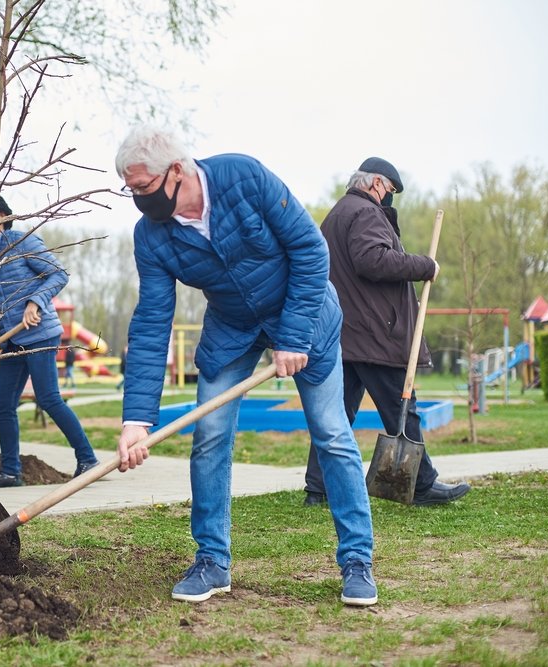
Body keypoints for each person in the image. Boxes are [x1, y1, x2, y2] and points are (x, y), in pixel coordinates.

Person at [114, 125, 377, 606]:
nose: (136, 199)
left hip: (307, 317)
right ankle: (212, 561)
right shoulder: (151, 236)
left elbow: (310, 250)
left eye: (141, 188)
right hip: (231, 330)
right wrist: (136, 419)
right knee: (210, 436)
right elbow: (152, 320)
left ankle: (357, 561)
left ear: (176, 171)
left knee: (331, 434)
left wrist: (294, 337)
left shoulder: (243, 177)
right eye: (129, 189)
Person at [303, 158, 472, 507]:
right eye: (390, 191)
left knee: (334, 414)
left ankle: (318, 490)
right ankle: (422, 485)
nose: (389, 198)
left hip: (344, 333)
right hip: (375, 333)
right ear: (376, 183)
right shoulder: (365, 213)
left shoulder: (337, 213)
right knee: (401, 407)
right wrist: (426, 266)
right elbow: (373, 260)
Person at [0, 193, 99, 487]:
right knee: (4, 402)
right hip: (12, 342)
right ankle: (11, 472)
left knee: (48, 398)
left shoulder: (22, 242)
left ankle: (88, 459)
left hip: (40, 333)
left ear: (4, 217)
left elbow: (58, 275)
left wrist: (35, 302)